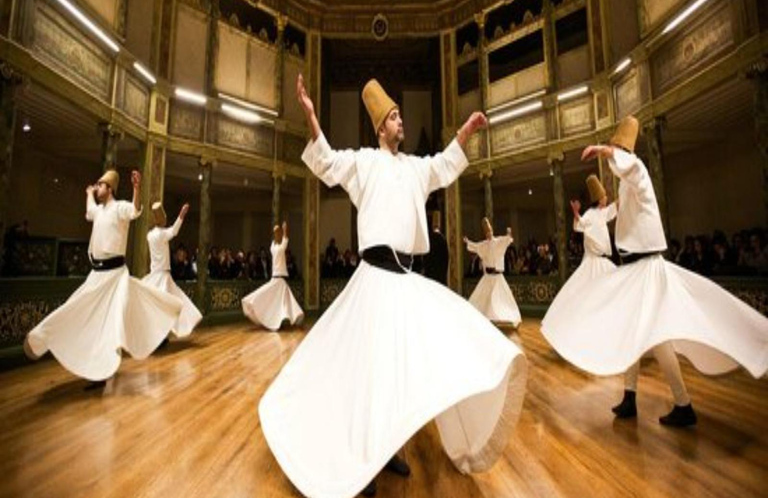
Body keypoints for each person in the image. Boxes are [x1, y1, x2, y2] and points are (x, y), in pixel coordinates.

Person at [258, 75, 527, 498]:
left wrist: (466, 132)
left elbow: (442, 166)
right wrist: (311, 115)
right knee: (371, 370)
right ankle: (361, 462)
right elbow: (326, 161)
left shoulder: (415, 168)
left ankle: (388, 449)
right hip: (374, 278)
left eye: (401, 114)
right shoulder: (364, 162)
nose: (401, 121)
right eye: (395, 117)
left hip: (406, 280)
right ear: (381, 127)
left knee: (400, 368)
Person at [542, 116, 768, 427]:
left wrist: (604, 151)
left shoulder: (638, 171)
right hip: (636, 268)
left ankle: (683, 403)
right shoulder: (626, 184)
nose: (612, 156)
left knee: (656, 336)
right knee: (634, 330)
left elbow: (630, 166)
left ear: (622, 151)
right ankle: (632, 396)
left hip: (647, 267)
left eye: (614, 149)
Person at [23, 169, 182, 386]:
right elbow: (89, 211)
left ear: (110, 189)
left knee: (108, 324)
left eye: (100, 185)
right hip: (96, 275)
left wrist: (137, 188)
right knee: (76, 308)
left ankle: (102, 368)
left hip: (115, 277)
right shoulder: (98, 211)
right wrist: (88, 192)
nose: (97, 188)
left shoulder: (119, 208)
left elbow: (135, 210)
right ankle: (45, 337)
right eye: (97, 185)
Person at [542, 174, 617, 344]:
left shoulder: (602, 213)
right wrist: (576, 214)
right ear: (599, 198)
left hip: (603, 261)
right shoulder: (590, 214)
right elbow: (580, 225)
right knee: (588, 296)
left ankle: (608, 329)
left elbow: (613, 209)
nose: (606, 198)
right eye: (604, 196)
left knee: (610, 293)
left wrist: (624, 194)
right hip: (592, 262)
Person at [142, 202, 202, 338]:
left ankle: (158, 335)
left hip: (153, 275)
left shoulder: (149, 235)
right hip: (162, 276)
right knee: (174, 304)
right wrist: (182, 214)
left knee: (158, 306)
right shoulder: (161, 235)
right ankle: (162, 334)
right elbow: (174, 231)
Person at [241, 221, 304, 330]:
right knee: (270, 296)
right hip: (275, 278)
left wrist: (284, 230)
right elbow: (278, 240)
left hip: (280, 278)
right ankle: (253, 304)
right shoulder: (273, 247)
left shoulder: (281, 246)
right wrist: (280, 231)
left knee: (285, 299)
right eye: (275, 232)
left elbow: (284, 239)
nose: (277, 234)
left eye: (277, 232)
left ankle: (288, 317)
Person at [464, 218, 521, 326]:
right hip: (488, 276)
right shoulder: (484, 244)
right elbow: (476, 246)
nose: (488, 234)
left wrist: (508, 234)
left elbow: (506, 240)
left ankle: (503, 316)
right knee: (483, 297)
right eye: (486, 232)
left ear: (492, 231)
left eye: (489, 231)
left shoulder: (498, 241)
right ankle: (485, 316)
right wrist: (468, 242)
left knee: (501, 297)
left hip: (497, 276)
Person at [423, 211, 449, 285]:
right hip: (441, 278)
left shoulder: (429, 239)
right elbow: (446, 261)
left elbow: (425, 258)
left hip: (430, 277)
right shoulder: (443, 240)